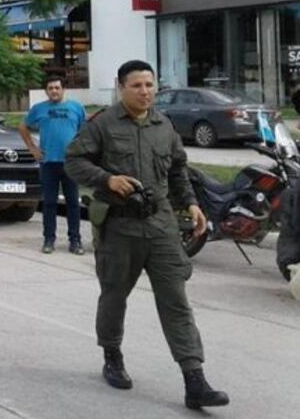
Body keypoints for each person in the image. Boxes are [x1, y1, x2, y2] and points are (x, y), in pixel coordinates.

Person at [65, 60, 229, 410]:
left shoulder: (163, 125)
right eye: (137, 85)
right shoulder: (103, 125)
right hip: (119, 228)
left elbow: (178, 170)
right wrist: (106, 179)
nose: (145, 92)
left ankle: (194, 378)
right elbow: (74, 160)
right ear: (121, 87)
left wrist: (192, 204)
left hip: (161, 226)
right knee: (114, 296)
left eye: (149, 85)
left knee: (176, 300)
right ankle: (112, 354)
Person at [19, 75, 87, 254]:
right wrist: (32, 148)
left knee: (73, 203)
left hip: (71, 162)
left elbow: (85, 131)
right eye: (50, 88)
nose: (54, 91)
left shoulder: (76, 108)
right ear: (46, 91)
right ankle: (49, 239)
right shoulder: (39, 109)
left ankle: (75, 241)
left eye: (57, 88)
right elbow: (23, 127)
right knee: (49, 202)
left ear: (63, 89)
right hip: (48, 162)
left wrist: (81, 152)